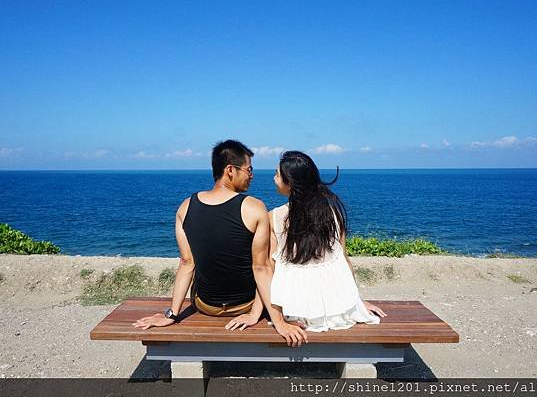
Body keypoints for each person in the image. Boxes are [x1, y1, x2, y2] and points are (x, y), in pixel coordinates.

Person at [133, 140, 307, 346]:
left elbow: (187, 263)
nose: (252, 175)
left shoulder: (185, 207)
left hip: (206, 305)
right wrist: (279, 322)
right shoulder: (254, 207)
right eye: (249, 170)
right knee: (274, 258)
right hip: (246, 304)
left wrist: (171, 314)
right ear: (230, 170)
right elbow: (261, 267)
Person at [258, 151, 385, 331]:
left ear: (291, 183)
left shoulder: (275, 217)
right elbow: (344, 260)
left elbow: (268, 267)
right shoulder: (333, 213)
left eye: (277, 175)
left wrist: (269, 316)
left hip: (294, 309)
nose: (274, 179)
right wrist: (355, 301)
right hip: (338, 310)